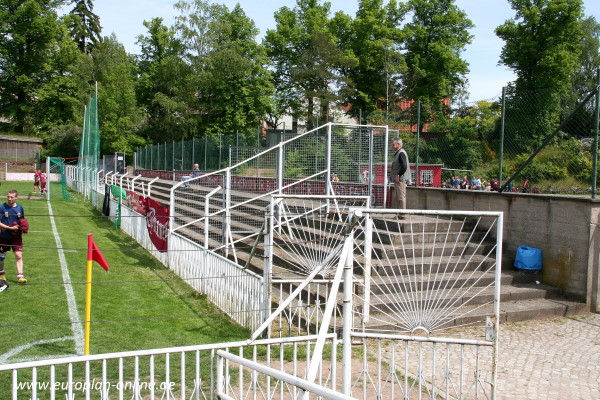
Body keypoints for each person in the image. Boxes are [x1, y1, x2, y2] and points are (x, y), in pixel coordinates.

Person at [0, 190, 27, 284]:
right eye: (8, 196)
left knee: (18, 255)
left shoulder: (20, 208)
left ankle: (20, 276)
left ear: (16, 197)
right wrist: (9, 227)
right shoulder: (1, 207)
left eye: (12, 197)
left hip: (16, 236)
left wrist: (22, 227)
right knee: (1, 257)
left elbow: (22, 221)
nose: (9, 198)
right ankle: (1, 274)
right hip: (4, 236)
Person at [388, 138, 410, 217]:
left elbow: (404, 166)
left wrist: (398, 175)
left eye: (394, 144)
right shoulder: (398, 153)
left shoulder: (401, 153)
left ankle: (402, 215)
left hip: (400, 179)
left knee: (401, 197)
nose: (392, 146)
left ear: (398, 145)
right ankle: (399, 214)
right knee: (398, 196)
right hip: (398, 179)